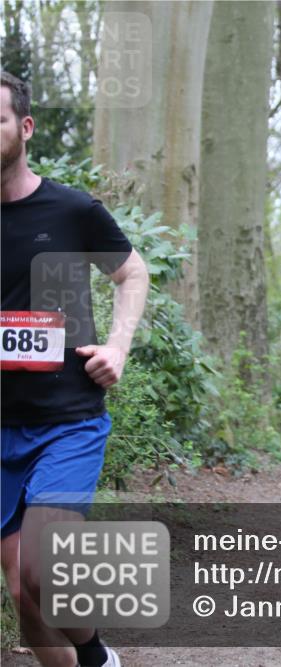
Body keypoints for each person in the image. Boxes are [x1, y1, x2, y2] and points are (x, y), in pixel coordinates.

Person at [1, 71, 148, 667]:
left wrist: (117, 346)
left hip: (66, 422)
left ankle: (96, 656)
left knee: (42, 570)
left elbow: (131, 274)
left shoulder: (70, 209)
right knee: (22, 593)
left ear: (24, 127)